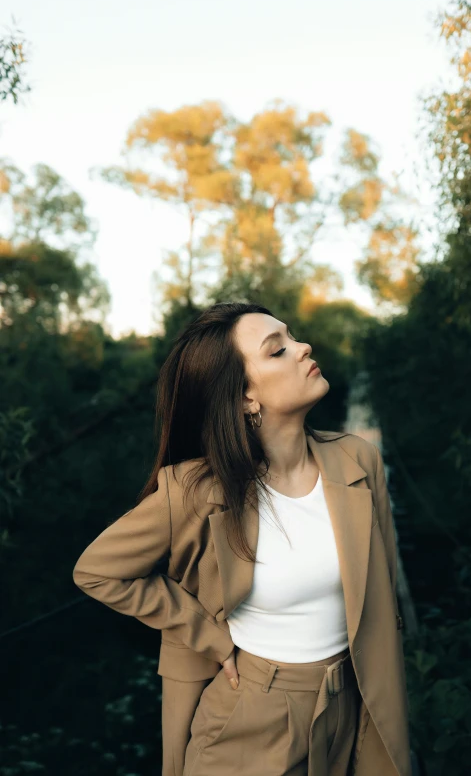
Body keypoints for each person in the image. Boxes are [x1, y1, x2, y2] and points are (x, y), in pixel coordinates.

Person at [73, 301, 411, 776]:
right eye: (278, 351)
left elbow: (381, 600)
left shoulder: (358, 460)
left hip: (349, 707)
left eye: (292, 337)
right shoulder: (196, 490)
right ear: (245, 398)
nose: (303, 347)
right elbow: (97, 571)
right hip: (249, 721)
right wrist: (207, 633)